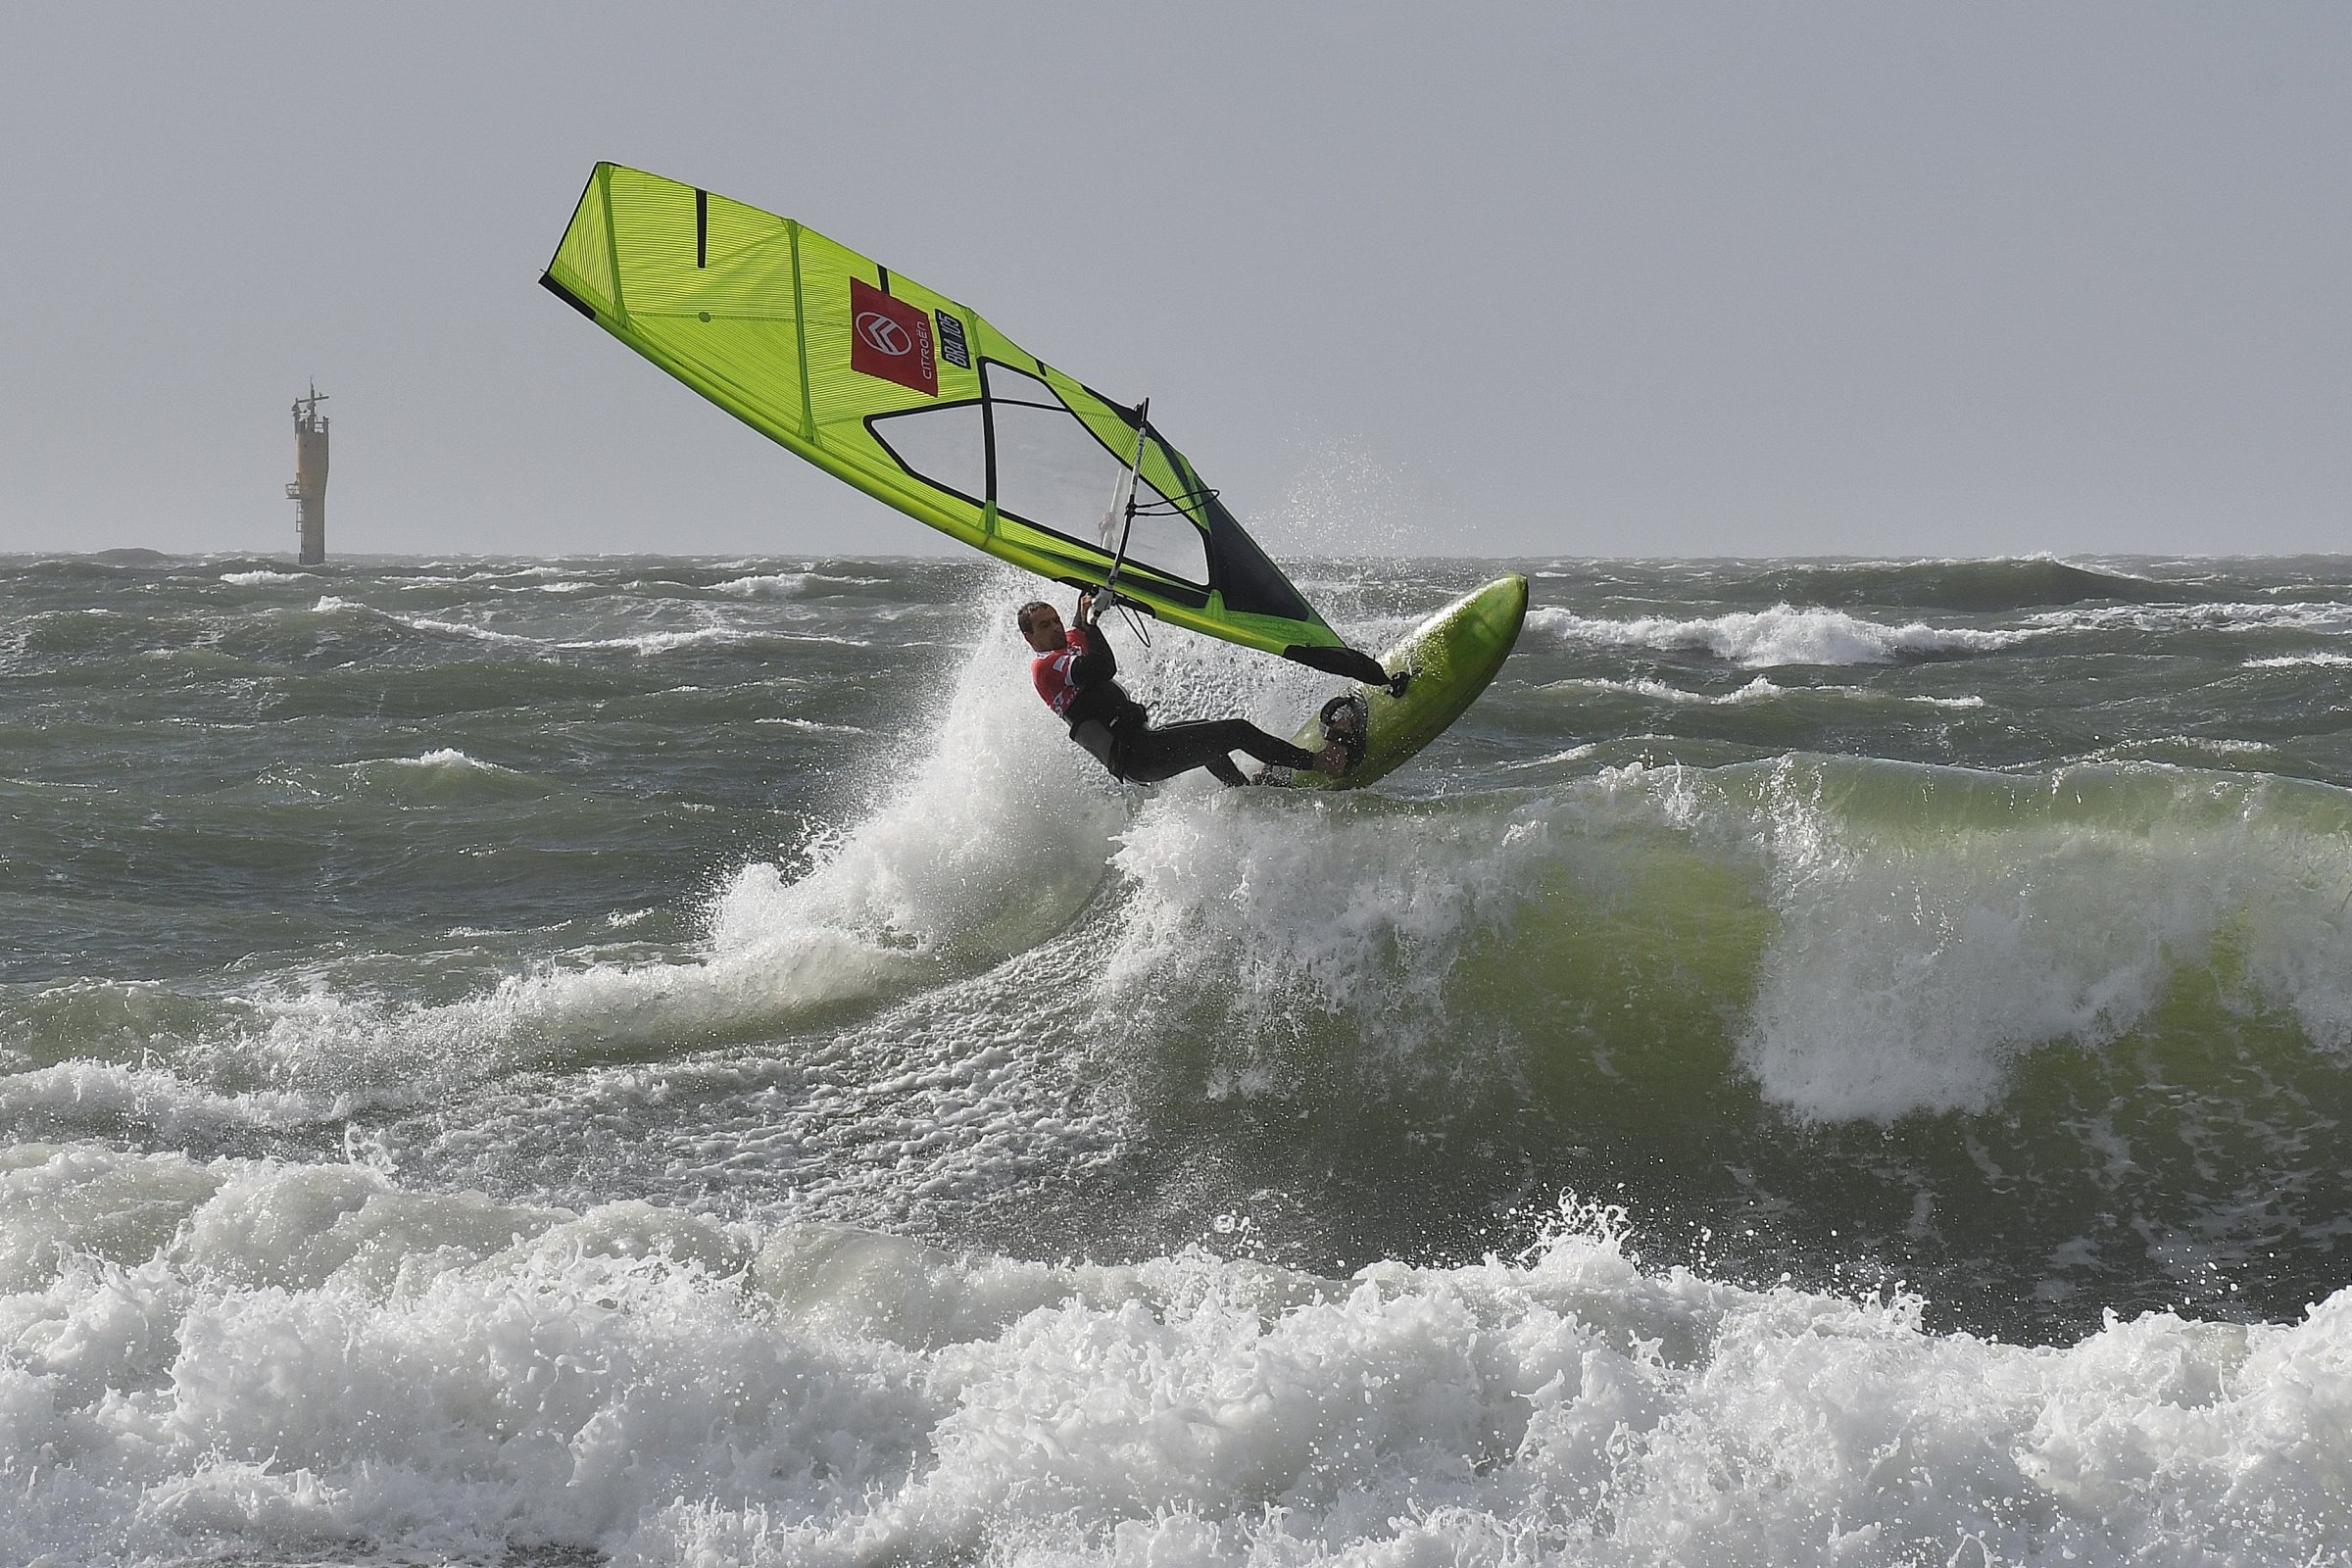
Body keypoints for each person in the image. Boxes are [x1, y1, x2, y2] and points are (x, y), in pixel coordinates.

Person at [1017, 593, 1348, 786]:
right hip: (1137, 755)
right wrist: (1092, 623)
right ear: (1030, 637)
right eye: (1044, 626)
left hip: (1141, 744)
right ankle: (1323, 763)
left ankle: (1244, 793)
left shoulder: (1068, 645)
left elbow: (1081, 616)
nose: (1055, 628)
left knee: (1212, 742)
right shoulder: (1046, 666)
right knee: (1236, 731)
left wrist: (1091, 590)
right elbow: (1103, 666)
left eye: (1055, 620)